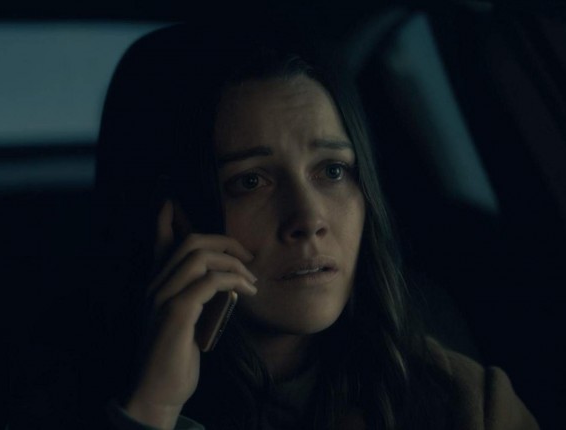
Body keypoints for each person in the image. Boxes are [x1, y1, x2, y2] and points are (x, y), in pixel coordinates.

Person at [89, 21, 539, 430]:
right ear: (178, 218)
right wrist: (153, 411)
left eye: (333, 171)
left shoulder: (467, 404)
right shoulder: (73, 395)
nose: (307, 219)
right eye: (251, 181)